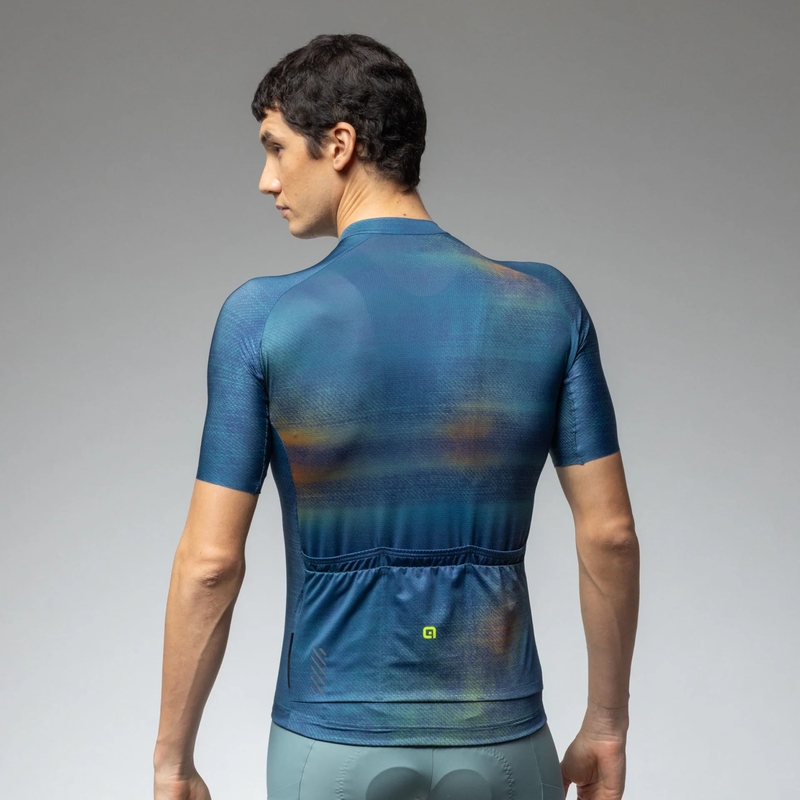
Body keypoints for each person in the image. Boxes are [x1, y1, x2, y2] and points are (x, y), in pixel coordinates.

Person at [153, 33, 639, 800]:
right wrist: (606, 724)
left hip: (330, 742)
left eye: (276, 148)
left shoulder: (263, 319)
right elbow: (610, 536)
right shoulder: (545, 305)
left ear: (339, 144)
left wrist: (173, 761)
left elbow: (210, 565)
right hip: (503, 734)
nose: (266, 179)